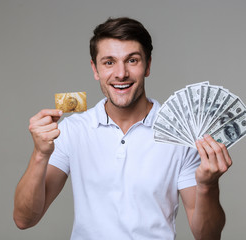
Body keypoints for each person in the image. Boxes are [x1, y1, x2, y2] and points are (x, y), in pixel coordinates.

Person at [13, 17, 232, 240]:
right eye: (109, 62)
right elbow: (25, 220)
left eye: (132, 60)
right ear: (95, 69)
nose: (121, 74)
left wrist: (208, 185)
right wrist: (40, 154)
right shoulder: (72, 130)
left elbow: (208, 236)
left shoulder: (180, 135)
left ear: (147, 65)